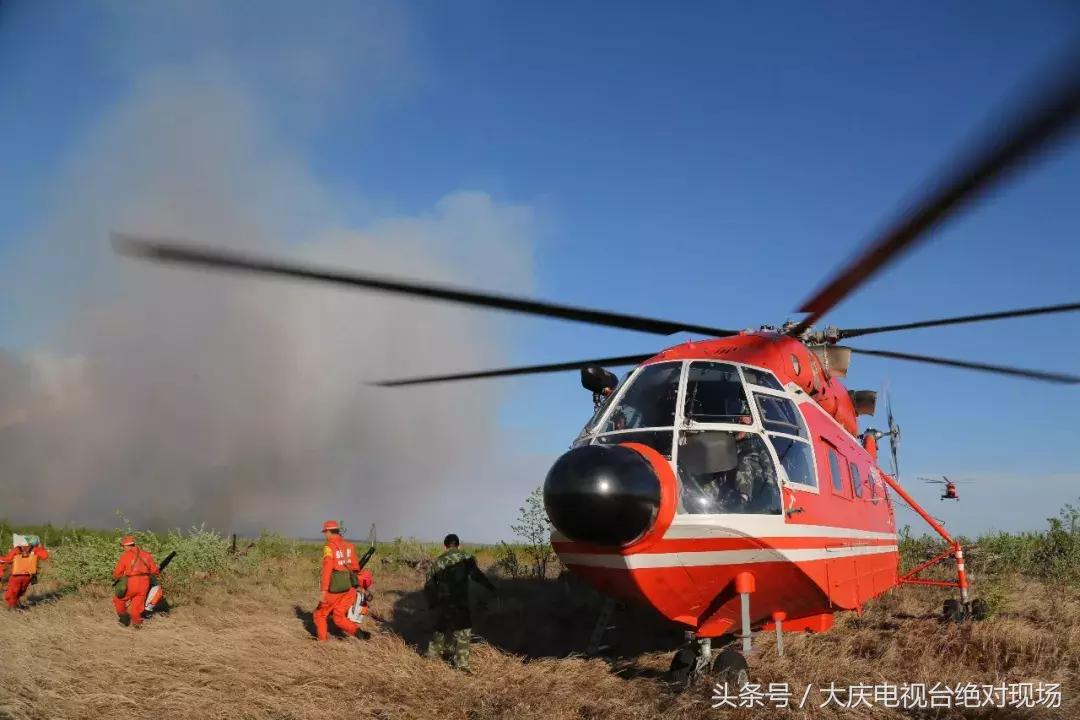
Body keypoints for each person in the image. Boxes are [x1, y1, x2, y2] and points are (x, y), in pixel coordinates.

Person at [424, 533, 496, 673]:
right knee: (463, 632)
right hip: (460, 602)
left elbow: (429, 585)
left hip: (443, 602)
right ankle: (461, 665)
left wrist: (432, 602)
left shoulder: (438, 561)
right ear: (459, 545)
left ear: (445, 546)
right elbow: (477, 576)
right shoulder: (467, 558)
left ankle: (432, 659)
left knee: (439, 630)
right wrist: (490, 587)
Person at [313, 520, 369, 641]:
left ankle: (321, 643)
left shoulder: (329, 547)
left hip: (335, 590)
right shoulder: (350, 546)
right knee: (338, 617)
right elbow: (356, 567)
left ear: (329, 532)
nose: (325, 535)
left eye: (325, 532)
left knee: (319, 615)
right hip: (349, 589)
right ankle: (360, 634)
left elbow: (327, 569)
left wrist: (323, 590)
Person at [112, 535, 159, 628]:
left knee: (118, 599)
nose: (123, 548)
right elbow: (155, 571)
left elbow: (117, 573)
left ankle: (124, 619)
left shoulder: (126, 556)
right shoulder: (147, 555)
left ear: (127, 546)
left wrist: (119, 579)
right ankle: (137, 623)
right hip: (144, 584)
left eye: (123, 546)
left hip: (131, 582)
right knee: (137, 605)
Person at [1, 534, 49, 609]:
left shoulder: (17, 549)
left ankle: (13, 607)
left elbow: (7, 559)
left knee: (12, 592)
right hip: (28, 577)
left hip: (16, 577)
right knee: (20, 591)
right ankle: (16, 606)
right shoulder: (35, 549)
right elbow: (45, 556)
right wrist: (40, 547)